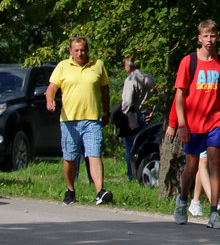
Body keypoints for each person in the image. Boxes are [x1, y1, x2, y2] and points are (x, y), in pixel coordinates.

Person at [166, 20, 220, 229]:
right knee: (192, 167)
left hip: (215, 120)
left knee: (214, 164)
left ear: (217, 37)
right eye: (205, 36)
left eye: (213, 36)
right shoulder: (189, 61)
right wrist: (179, 125)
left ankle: (213, 213)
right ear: (199, 38)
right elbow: (180, 96)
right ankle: (182, 200)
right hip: (193, 123)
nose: (209, 40)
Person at [45, 36, 113, 205]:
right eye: (76, 50)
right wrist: (50, 99)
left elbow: (105, 91)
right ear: (71, 51)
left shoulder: (98, 65)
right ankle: (70, 189)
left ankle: (100, 191)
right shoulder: (62, 66)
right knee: (69, 157)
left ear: (87, 50)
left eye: (82, 50)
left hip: (92, 119)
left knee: (94, 154)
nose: (80, 53)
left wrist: (106, 112)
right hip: (69, 120)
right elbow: (52, 88)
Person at [119, 57, 157, 180]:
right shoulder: (149, 78)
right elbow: (160, 96)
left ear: (129, 66)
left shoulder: (131, 79)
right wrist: (153, 110)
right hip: (147, 116)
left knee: (130, 147)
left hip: (134, 117)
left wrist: (123, 113)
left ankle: (132, 175)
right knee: (145, 145)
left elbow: (127, 101)